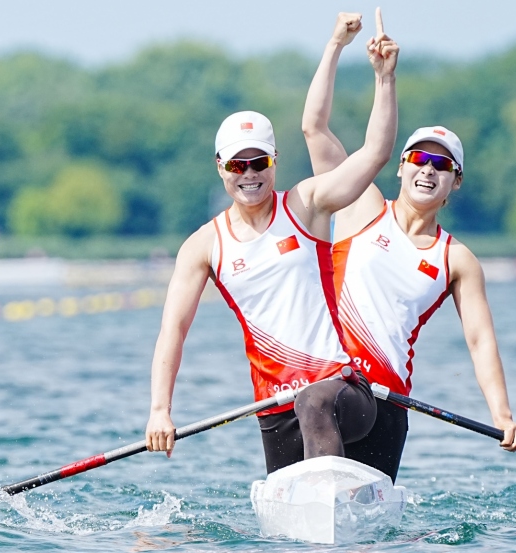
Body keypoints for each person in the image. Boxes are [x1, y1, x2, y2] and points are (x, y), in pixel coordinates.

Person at [145, 14, 400, 477]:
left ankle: (331, 498)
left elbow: (375, 153)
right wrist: (160, 410)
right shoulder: (202, 246)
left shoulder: (307, 204)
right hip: (274, 408)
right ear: (220, 168)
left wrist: (383, 79)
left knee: (314, 401)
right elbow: (172, 332)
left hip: (342, 391)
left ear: (274, 161)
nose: (249, 175)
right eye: (237, 166)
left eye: (258, 162)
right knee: (287, 544)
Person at [301, 11, 516, 482]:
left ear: (455, 184)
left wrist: (504, 416)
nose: (428, 170)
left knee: (374, 551)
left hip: (388, 403)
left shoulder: (456, 259)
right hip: (326, 391)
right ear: (401, 167)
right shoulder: (360, 206)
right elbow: (314, 130)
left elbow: (480, 340)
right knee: (316, 401)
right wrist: (340, 50)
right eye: (419, 159)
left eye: (441, 166)